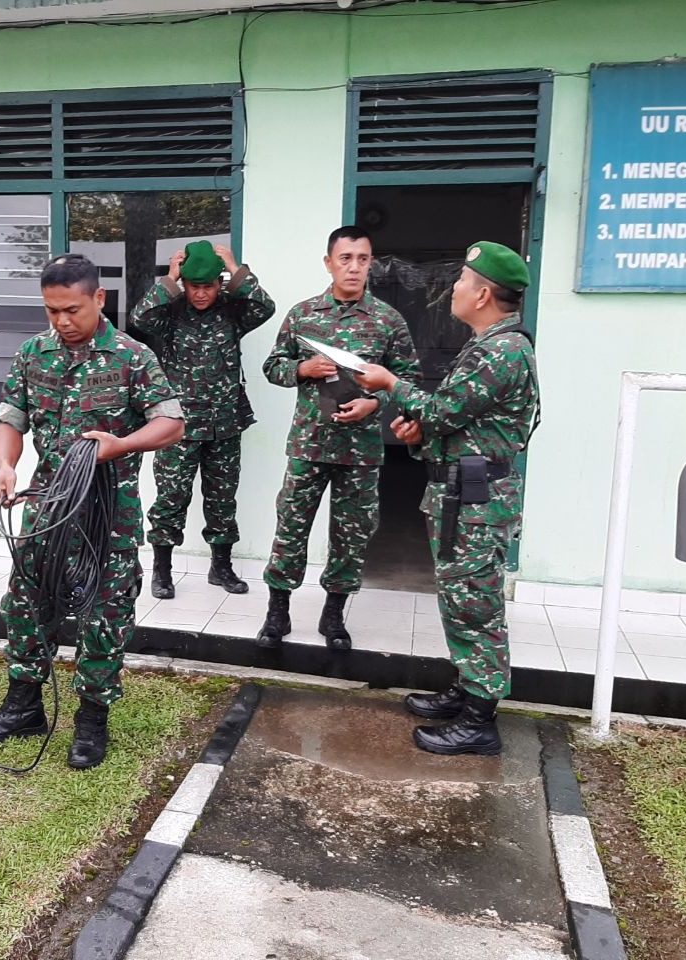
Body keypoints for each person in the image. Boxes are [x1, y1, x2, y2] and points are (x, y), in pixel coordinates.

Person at [0, 254, 185, 770]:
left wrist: (120, 444)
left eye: (71, 310)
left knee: (104, 614)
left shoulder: (132, 357)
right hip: (46, 505)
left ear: (98, 299)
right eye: (51, 311)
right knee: (25, 602)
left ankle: (91, 720)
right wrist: (5, 465)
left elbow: (172, 424)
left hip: (109, 513)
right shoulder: (32, 354)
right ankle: (24, 708)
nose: (61, 321)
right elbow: (11, 418)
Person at [354, 241, 539, 757]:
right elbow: (457, 422)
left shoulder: (501, 351)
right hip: (464, 492)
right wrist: (420, 437)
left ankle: (481, 719)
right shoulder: (488, 344)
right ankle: (469, 688)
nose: (453, 287)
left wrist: (390, 383)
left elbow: (442, 410)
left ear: (481, 294)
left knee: (476, 602)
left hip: (478, 500)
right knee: (462, 599)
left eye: (460, 280)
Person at [258, 226, 421, 651]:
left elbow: (410, 382)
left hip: (362, 450)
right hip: (309, 446)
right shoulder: (303, 314)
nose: (353, 267)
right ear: (329, 262)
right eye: (345, 258)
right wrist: (300, 370)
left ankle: (334, 614)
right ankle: (278, 611)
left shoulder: (388, 320)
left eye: (362, 259)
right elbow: (272, 366)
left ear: (371, 263)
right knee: (291, 527)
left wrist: (376, 406)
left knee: (352, 535)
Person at [128, 240, 276, 599]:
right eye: (194, 286)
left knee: (222, 499)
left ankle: (220, 568)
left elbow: (265, 307)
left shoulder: (233, 312)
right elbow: (139, 318)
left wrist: (236, 266)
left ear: (219, 284)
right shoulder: (171, 312)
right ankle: (162, 571)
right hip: (177, 425)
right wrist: (168, 279)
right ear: (186, 285)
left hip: (225, 422)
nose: (201, 293)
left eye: (208, 286)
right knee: (171, 498)